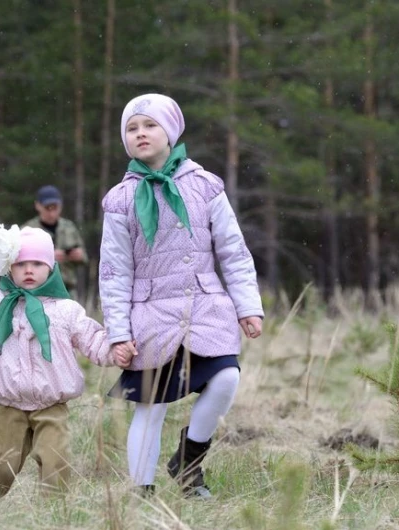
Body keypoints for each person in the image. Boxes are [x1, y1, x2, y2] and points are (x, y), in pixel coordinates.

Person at [99, 94, 264, 498]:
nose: (140, 134)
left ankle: (188, 461)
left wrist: (248, 306)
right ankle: (142, 492)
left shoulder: (205, 186)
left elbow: (233, 250)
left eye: (149, 125)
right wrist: (118, 333)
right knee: (150, 408)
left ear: (170, 132)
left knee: (226, 378)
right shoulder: (121, 199)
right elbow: (114, 272)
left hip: (205, 308)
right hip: (150, 318)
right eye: (132, 128)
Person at [0, 225, 131, 509]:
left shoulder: (65, 310)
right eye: (21, 264)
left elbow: (92, 338)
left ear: (51, 268)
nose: (29, 270)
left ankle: (54, 512)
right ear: (9, 267)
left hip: (51, 403)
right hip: (9, 402)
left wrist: (115, 349)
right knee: (2, 463)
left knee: (56, 458)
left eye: (37, 264)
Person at [23, 185, 87, 298]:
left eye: (55, 208)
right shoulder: (27, 230)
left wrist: (78, 255)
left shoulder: (69, 227)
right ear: (38, 206)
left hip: (68, 290)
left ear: (61, 206)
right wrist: (48, 256)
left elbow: (84, 258)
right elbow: (19, 261)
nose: (51, 213)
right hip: (38, 292)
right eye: (47, 208)